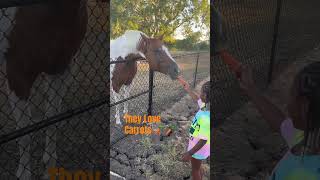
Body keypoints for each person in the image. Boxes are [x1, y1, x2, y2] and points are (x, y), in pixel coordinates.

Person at [238, 62, 320, 179]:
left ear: (304, 107)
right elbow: (282, 124)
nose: (288, 105)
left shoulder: (304, 174)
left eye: (292, 95)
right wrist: (250, 88)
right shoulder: (310, 137)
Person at [178, 77, 210, 180]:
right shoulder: (206, 107)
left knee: (194, 170)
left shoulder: (206, 118)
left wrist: (189, 153)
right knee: (197, 166)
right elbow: (197, 99)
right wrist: (186, 86)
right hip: (196, 146)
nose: (200, 95)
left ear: (205, 96)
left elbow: (203, 140)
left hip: (198, 149)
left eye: (201, 92)